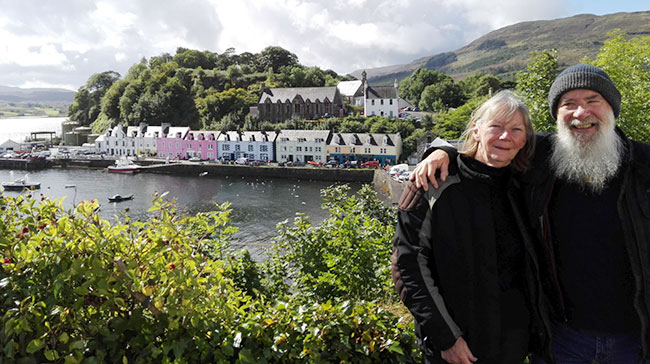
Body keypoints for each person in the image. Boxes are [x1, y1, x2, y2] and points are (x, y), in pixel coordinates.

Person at [413, 64, 650, 364]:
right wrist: (440, 152)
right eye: (569, 104)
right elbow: (490, 147)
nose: (580, 114)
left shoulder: (644, 166)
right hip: (560, 340)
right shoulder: (540, 159)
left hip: (634, 341)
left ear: (612, 109)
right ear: (557, 115)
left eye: (593, 101)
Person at [392, 90, 550, 364]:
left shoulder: (525, 185)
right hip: (457, 346)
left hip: (514, 343)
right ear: (476, 130)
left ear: (526, 138)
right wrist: (446, 338)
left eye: (516, 129)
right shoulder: (434, 182)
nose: (505, 137)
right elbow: (408, 267)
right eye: (496, 127)